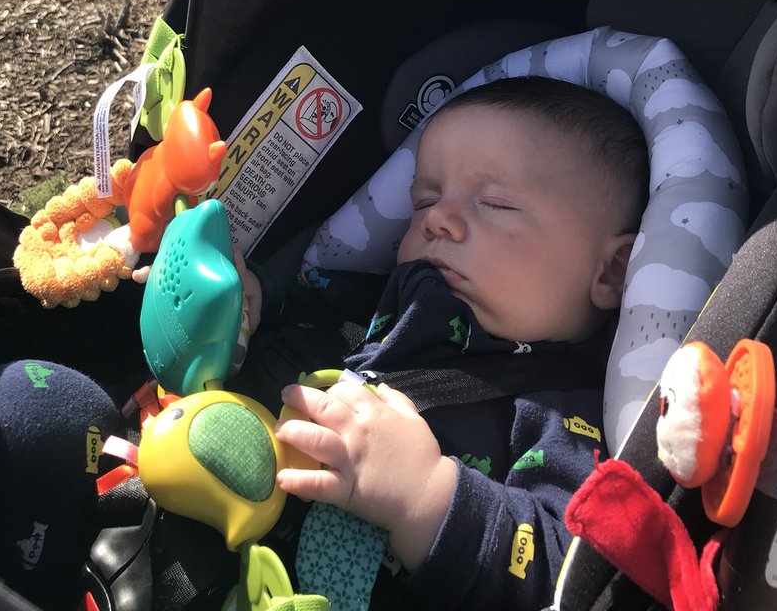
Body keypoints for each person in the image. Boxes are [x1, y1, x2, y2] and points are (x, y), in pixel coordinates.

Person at [233, 75, 650, 611]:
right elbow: (298, 338)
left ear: (613, 273)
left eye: (496, 204)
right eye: (424, 199)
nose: (438, 219)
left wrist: (425, 496)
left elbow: (568, 574)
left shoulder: (567, 419)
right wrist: (252, 311)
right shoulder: (366, 309)